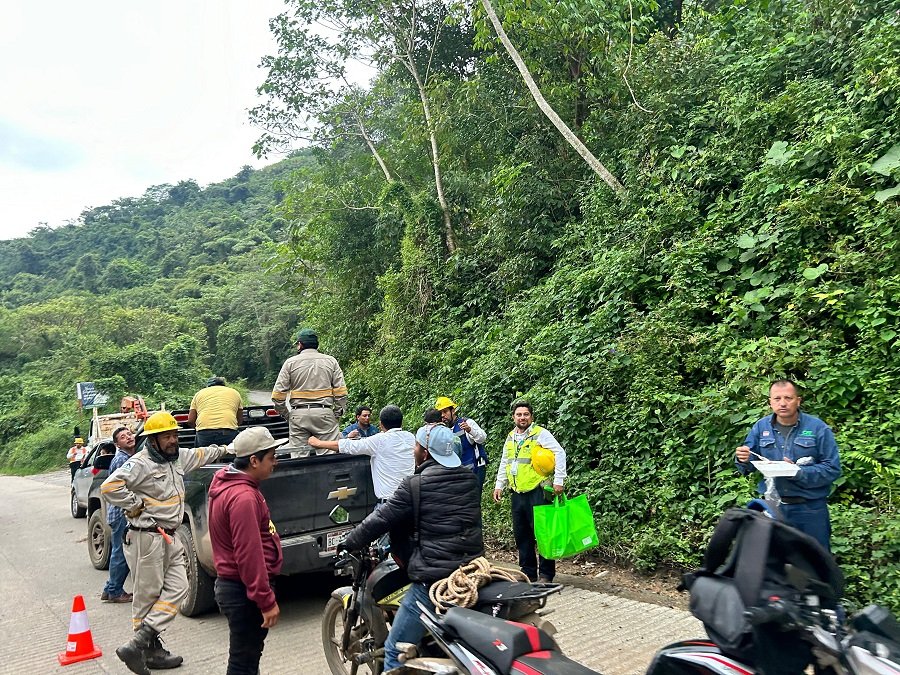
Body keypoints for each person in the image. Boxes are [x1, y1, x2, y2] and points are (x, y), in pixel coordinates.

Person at [341, 423, 483, 672]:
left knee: (395, 649)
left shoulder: (415, 485)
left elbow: (380, 520)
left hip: (434, 578)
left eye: (416, 446)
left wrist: (349, 542)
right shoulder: (469, 479)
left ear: (425, 453)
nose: (413, 450)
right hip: (471, 570)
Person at [101, 411, 228, 675]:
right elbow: (110, 487)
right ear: (153, 439)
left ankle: (138, 643)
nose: (172, 440)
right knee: (146, 596)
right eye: (166, 436)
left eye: (174, 435)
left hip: (169, 535)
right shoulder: (140, 463)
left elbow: (203, 454)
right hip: (146, 537)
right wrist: (135, 505)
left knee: (180, 586)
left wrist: (229, 447)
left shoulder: (177, 457)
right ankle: (150, 652)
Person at [208, 427, 287, 675]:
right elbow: (249, 554)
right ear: (254, 461)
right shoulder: (243, 497)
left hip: (238, 588)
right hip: (243, 592)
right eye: (271, 457)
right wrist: (265, 599)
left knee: (247, 660)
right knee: (243, 663)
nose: (275, 462)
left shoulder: (231, 485)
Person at [735, 379, 841, 551]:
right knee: (774, 563)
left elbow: (833, 469)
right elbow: (747, 466)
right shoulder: (760, 428)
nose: (782, 403)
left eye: (788, 398)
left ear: (798, 401)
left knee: (815, 563)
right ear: (770, 402)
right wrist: (743, 459)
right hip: (772, 508)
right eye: (777, 399)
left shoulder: (818, 428)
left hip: (810, 510)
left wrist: (798, 472)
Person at [492, 400, 567, 582]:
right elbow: (505, 461)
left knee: (542, 534)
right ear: (513, 417)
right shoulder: (510, 437)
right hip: (517, 493)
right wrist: (499, 484)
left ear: (531, 417)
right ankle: (528, 573)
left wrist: (559, 480)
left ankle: (546, 575)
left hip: (537, 491)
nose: (522, 417)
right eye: (519, 414)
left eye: (526, 414)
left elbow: (559, 452)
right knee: (522, 535)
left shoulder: (540, 434)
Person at [310, 405, 415, 502]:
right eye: (364, 415)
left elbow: (347, 446)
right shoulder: (411, 437)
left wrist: (318, 443)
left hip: (389, 503)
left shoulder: (378, 440)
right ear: (401, 423)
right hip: (411, 499)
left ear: (381, 424)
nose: (367, 418)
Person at [271, 328, 348, 457]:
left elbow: (277, 396)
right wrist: (336, 414)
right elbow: (341, 393)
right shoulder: (331, 361)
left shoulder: (290, 363)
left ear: (300, 344)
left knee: (298, 456)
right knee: (329, 456)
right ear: (317, 344)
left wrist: (288, 415)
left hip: (298, 414)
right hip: (324, 414)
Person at [100, 427, 138, 605]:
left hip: (120, 511)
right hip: (121, 512)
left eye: (129, 434)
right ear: (117, 444)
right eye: (123, 437)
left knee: (119, 550)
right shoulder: (122, 460)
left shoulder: (129, 458)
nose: (129, 438)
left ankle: (109, 589)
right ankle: (115, 591)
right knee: (121, 552)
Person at [435, 396, 488, 489]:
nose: (442, 415)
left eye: (445, 411)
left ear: (453, 411)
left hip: (475, 468)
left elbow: (482, 438)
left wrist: (470, 430)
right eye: (440, 413)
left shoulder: (467, 423)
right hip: (457, 471)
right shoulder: (443, 430)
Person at [188, 376, 244, 447]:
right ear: (223, 385)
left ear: (208, 386)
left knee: (203, 455)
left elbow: (190, 420)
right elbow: (240, 420)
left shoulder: (199, 394)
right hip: (228, 431)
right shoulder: (235, 393)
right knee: (230, 453)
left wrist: (200, 429)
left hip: (205, 432)